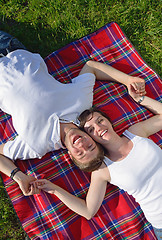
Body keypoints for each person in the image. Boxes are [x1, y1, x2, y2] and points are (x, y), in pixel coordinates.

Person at [0, 30, 145, 195]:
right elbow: (91, 67)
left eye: (81, 153)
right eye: (90, 146)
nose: (82, 145)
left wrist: (18, 176)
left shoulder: (37, 146)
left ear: (71, 155)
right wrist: (127, 80)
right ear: (92, 137)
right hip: (12, 50)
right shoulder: (81, 104)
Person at [33, 86, 162, 240]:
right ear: (89, 138)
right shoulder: (103, 169)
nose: (99, 127)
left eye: (100, 120)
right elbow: (88, 210)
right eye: (91, 129)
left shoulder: (135, 133)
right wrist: (53, 189)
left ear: (108, 120)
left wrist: (140, 99)